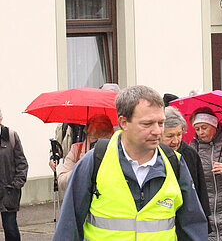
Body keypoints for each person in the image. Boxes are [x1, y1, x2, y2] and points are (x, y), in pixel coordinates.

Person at [53, 85, 207, 241]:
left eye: (161, 123)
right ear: (124, 122)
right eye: (147, 124)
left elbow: (193, 227)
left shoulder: (175, 163)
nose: (157, 131)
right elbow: (68, 228)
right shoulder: (96, 161)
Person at [162, 106, 211, 230]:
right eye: (170, 136)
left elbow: (200, 191)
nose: (176, 141)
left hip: (187, 220)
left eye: (179, 134)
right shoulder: (151, 155)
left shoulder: (189, 154)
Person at [189, 107, 222, 240]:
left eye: (204, 127)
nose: (200, 132)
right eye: (197, 129)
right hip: (206, 212)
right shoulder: (193, 146)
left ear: (214, 125)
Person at [51, 114, 114, 192]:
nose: (99, 143)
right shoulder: (76, 150)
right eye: (95, 138)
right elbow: (62, 182)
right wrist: (82, 167)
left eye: (103, 138)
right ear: (87, 135)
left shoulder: (117, 151)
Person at [0, 109, 28, 241]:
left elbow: (22, 163)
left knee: (10, 228)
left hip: (8, 192)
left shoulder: (10, 136)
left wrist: (16, 185)